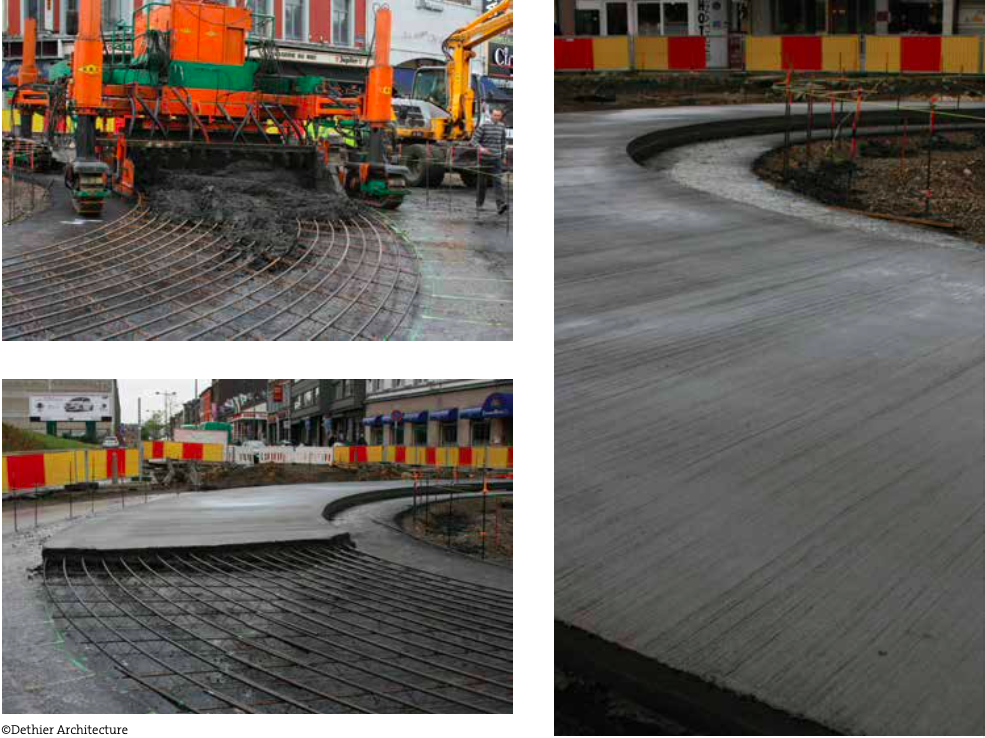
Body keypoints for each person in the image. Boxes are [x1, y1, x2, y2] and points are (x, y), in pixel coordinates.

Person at [471, 107, 509, 215]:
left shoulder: (502, 126)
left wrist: (504, 156)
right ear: (491, 115)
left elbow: (503, 142)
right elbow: (473, 141)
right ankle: (479, 204)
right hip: (484, 159)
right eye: (495, 115)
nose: (497, 117)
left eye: (499, 116)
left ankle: (501, 205)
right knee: (482, 183)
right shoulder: (483, 126)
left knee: (498, 182)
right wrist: (481, 148)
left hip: (496, 159)